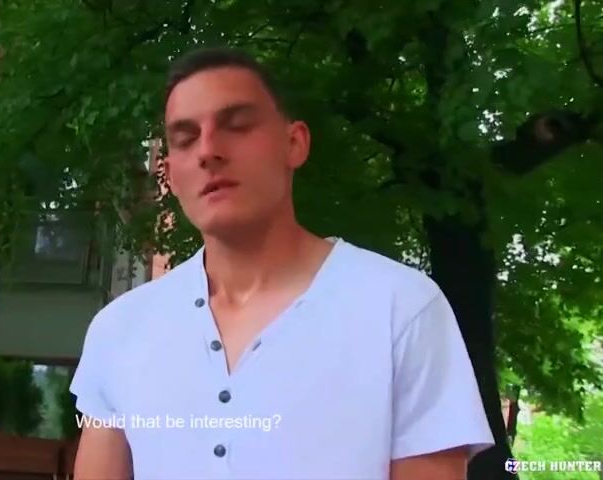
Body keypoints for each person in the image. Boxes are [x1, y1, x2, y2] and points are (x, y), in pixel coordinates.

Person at [69, 46, 494, 480]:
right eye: (185, 139)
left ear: (294, 143)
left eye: (237, 125)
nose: (208, 150)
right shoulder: (119, 330)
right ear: (170, 175)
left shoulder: (400, 308)